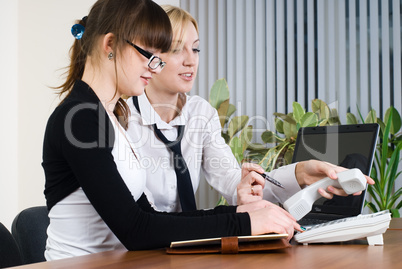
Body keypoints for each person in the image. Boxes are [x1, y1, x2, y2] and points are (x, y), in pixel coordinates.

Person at [42, 0, 305, 261]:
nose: (153, 68)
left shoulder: (111, 116)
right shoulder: (81, 118)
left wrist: (240, 215)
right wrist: (244, 224)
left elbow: (149, 218)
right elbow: (136, 230)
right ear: (110, 45)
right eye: (148, 55)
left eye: (159, 58)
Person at [126, 5, 374, 212]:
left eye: (196, 48)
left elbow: (234, 184)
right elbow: (138, 217)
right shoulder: (123, 117)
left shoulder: (200, 114)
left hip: (180, 249)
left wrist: (301, 174)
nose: (191, 60)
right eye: (177, 49)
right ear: (152, 55)